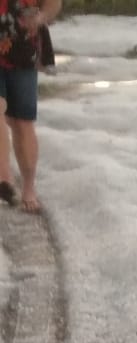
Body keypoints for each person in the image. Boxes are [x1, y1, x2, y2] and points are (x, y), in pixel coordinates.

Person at [0, 0, 62, 213]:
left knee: (22, 121)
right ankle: (4, 177)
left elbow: (53, 4)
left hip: (23, 47)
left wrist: (40, 18)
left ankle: (28, 187)